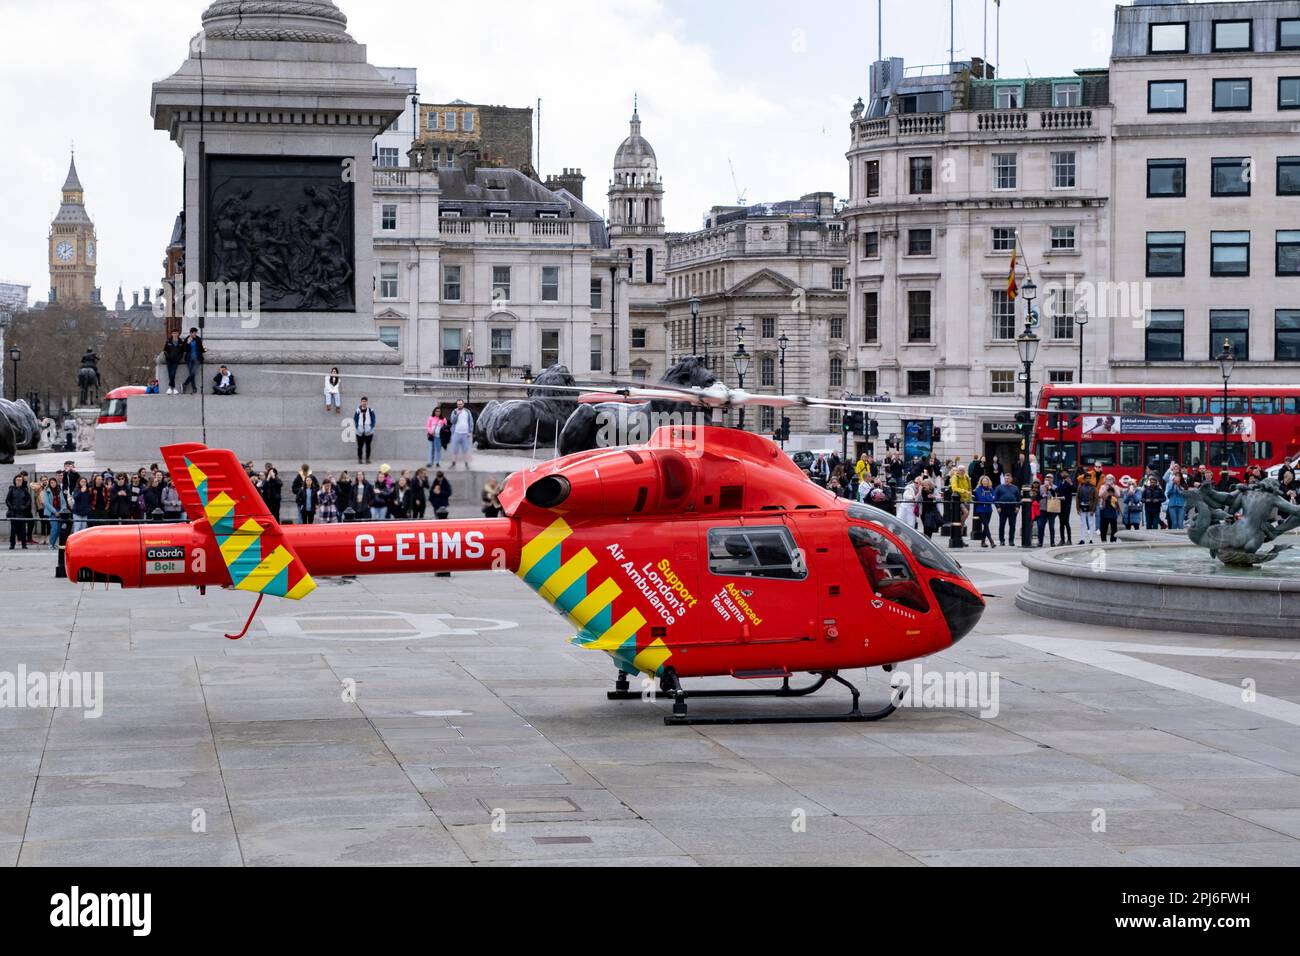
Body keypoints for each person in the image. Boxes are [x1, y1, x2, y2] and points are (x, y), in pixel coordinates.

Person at [6, 475, 32, 550]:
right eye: (17, 480)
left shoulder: (24, 490)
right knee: (13, 530)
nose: (19, 481)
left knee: (23, 530)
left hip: (22, 513)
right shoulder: (11, 489)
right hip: (13, 513)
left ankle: (24, 544)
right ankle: (12, 544)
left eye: (20, 480)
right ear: (15, 481)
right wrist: (11, 507)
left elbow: (29, 500)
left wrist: (25, 507)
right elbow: (7, 500)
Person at [994, 473, 1020, 546]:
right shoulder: (999, 487)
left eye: (1008, 478)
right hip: (1002, 509)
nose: (1007, 480)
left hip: (1012, 509)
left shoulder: (1015, 488)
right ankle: (1002, 540)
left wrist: (1018, 507)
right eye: (1005, 478)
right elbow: (995, 499)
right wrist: (997, 507)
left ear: (1011, 479)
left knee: (1012, 526)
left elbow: (1018, 499)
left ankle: (1011, 541)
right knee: (1002, 525)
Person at [449, 400, 474, 469]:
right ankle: (453, 463)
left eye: (460, 404)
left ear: (463, 404)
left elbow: (471, 422)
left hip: (465, 434)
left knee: (466, 449)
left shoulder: (467, 412)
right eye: (458, 404)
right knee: (454, 449)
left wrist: (470, 431)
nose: (459, 405)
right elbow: (452, 421)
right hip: (456, 433)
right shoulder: (454, 411)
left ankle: (466, 464)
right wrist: (457, 414)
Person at [973, 475, 996, 548]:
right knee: (986, 525)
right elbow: (981, 499)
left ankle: (983, 542)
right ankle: (991, 541)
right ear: (981, 482)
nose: (985, 482)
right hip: (981, 510)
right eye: (983, 481)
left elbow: (994, 498)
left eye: (986, 481)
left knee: (986, 526)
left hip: (989, 510)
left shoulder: (990, 489)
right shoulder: (978, 489)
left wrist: (988, 499)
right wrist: (989, 498)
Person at [182, 327, 205, 394]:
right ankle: (194, 388)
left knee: (193, 373)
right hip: (189, 359)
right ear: (191, 333)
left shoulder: (198, 339)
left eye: (196, 333)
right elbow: (184, 349)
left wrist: (205, 350)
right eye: (194, 333)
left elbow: (201, 348)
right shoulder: (187, 339)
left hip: (197, 359)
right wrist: (188, 343)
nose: (195, 334)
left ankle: (185, 384)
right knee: (192, 374)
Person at [1076, 473, 1097, 545]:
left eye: (1089, 478)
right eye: (1087, 478)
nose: (1088, 479)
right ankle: (1082, 539)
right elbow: (1077, 498)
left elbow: (1095, 499)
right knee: (1082, 524)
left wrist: (1093, 510)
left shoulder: (1093, 487)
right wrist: (1078, 508)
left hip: (1090, 507)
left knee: (1091, 523)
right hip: (1082, 506)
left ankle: (1091, 539)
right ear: (1084, 479)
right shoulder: (1080, 487)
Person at [354, 397, 376, 465]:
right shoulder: (357, 410)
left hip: (368, 431)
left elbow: (373, 419)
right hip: (360, 431)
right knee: (360, 446)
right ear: (361, 402)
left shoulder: (370, 410)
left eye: (365, 401)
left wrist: (371, 427)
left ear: (367, 402)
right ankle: (360, 458)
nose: (364, 402)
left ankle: (367, 458)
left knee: (368, 445)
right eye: (363, 401)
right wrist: (357, 427)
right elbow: (355, 419)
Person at [1055, 470, 1075, 545]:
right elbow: (1057, 491)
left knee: (1066, 522)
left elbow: (1074, 489)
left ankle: (1069, 540)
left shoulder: (1069, 482)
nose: (1063, 474)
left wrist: (1070, 483)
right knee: (1061, 523)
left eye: (1064, 472)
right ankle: (1062, 539)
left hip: (1067, 505)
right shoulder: (1060, 482)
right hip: (1060, 505)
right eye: (1062, 473)